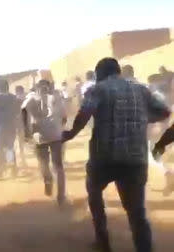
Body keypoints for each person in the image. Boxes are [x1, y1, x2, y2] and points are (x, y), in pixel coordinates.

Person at [63, 58, 170, 252]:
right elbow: (164, 111)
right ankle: (144, 248)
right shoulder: (141, 89)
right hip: (135, 158)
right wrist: (142, 118)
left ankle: (103, 242)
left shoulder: (98, 89)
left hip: (104, 156)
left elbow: (85, 113)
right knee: (137, 211)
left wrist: (70, 134)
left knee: (94, 194)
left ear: (100, 73)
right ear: (118, 71)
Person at [22, 80, 67, 206]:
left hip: (39, 135)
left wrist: (27, 133)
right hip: (55, 135)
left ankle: (47, 180)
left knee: (43, 163)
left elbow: (24, 114)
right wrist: (59, 127)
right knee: (58, 166)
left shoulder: (30, 99)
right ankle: (61, 196)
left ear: (37, 88)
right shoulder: (56, 98)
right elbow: (64, 117)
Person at [0, 78, 21, 179]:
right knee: (10, 148)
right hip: (11, 127)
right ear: (7, 87)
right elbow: (18, 112)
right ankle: (13, 170)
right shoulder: (13, 98)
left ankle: (0, 172)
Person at [15, 86, 27, 167]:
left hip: (20, 125)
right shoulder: (27, 98)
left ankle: (23, 161)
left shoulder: (14, 101)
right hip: (27, 124)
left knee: (21, 144)